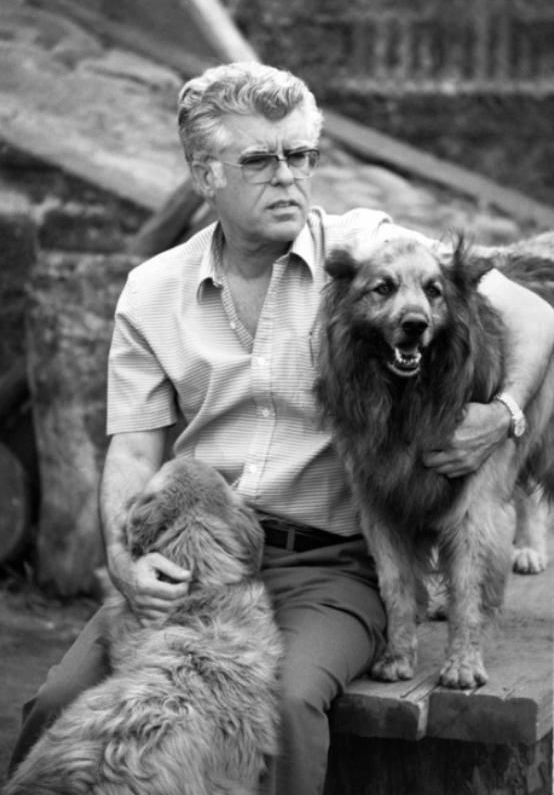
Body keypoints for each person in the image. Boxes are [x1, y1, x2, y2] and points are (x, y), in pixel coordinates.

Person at [9, 62, 554, 794]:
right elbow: (134, 448)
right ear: (205, 175)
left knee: (288, 705)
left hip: (332, 568)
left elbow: (536, 314)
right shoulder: (152, 292)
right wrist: (124, 557)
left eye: (301, 156)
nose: (288, 178)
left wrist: (505, 414)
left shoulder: (364, 247)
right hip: (201, 563)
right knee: (55, 705)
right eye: (261, 160)